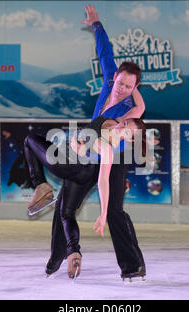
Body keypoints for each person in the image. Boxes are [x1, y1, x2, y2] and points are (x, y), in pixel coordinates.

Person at [40, 4, 147, 281]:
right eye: (121, 83)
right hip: (87, 157)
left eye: (128, 86)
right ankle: (58, 255)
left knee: (114, 212)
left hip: (113, 161)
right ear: (115, 78)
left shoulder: (126, 110)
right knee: (64, 206)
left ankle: (133, 266)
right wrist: (97, 25)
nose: (122, 88)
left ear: (134, 89)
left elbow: (139, 109)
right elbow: (105, 53)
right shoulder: (109, 83)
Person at [23, 116, 146, 278]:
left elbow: (103, 181)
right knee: (65, 213)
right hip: (82, 173)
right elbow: (136, 107)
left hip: (66, 164)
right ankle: (73, 251)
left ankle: (40, 184)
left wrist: (103, 213)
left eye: (126, 130)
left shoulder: (108, 147)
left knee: (29, 140)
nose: (120, 127)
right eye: (124, 123)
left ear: (129, 138)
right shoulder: (111, 121)